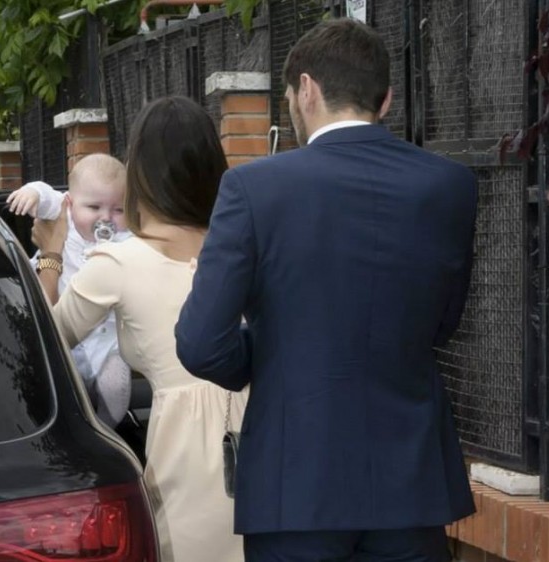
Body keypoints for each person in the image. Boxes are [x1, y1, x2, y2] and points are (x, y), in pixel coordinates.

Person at [175, 18, 478, 562]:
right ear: (385, 100)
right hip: (410, 482)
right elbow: (442, 324)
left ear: (306, 89)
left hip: (294, 482)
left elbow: (200, 343)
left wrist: (273, 356)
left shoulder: (253, 188)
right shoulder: (449, 186)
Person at [31, 96, 248, 562]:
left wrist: (50, 254)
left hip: (188, 453)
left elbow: (42, 344)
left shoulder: (118, 263)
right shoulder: (245, 245)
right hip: (266, 436)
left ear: (140, 176)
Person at [7, 154, 132, 427]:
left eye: (118, 210)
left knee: (116, 388)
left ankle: (105, 428)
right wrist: (31, 194)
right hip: (67, 343)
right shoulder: (65, 216)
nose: (105, 218)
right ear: (70, 202)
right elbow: (45, 194)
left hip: (108, 346)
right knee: (63, 396)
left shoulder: (127, 239)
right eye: (94, 207)